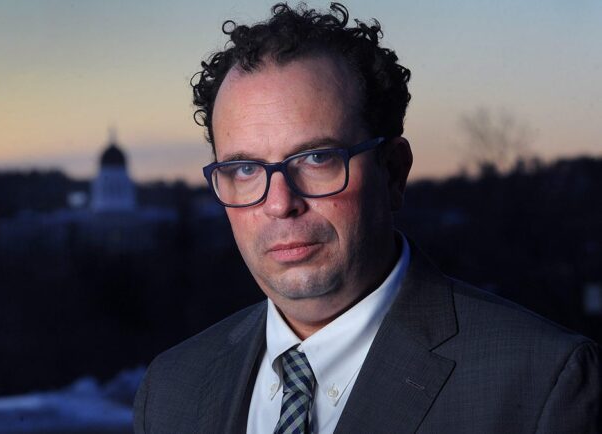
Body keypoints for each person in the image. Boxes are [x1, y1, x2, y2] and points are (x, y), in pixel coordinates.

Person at [133, 3, 601, 433]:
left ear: (393, 172)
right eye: (245, 169)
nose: (279, 203)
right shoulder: (171, 389)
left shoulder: (542, 384)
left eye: (316, 159)